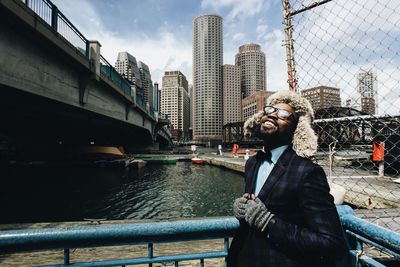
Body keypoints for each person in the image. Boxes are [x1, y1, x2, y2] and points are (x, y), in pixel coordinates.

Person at [227, 91, 345, 267]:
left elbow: (331, 242)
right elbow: (258, 207)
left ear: (296, 129)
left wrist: (270, 223)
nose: (273, 114)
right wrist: (244, 210)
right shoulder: (252, 163)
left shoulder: (307, 172)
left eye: (284, 115)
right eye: (270, 109)